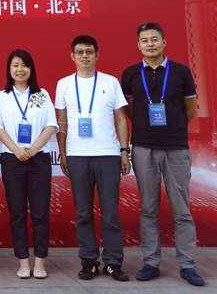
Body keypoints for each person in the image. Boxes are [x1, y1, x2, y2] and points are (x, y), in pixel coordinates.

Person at [121, 22, 205, 286]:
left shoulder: (181, 72)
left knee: (182, 209)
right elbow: (130, 110)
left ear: (164, 42)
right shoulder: (131, 73)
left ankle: (187, 264)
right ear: (138, 45)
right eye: (144, 40)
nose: (150, 44)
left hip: (176, 147)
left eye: (154, 39)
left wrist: (174, 127)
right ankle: (151, 262)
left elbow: (191, 108)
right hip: (143, 147)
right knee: (148, 208)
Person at [55, 35, 131, 282]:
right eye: (80, 52)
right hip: (77, 155)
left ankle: (113, 262)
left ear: (97, 55)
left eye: (89, 51)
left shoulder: (111, 82)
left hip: (108, 154)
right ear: (72, 56)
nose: (84, 56)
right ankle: (88, 261)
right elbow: (61, 122)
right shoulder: (64, 84)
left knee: (110, 212)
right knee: (83, 212)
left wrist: (124, 150)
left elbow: (121, 118)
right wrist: (63, 153)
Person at [0, 49, 58, 279]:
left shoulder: (41, 95)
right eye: (15, 65)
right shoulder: (2, 96)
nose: (20, 69)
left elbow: (51, 125)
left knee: (40, 212)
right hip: (12, 160)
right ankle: (23, 261)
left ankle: (39, 262)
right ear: (9, 70)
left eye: (24, 65)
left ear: (31, 69)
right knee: (17, 213)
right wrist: (17, 150)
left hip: (38, 159)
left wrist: (33, 149)